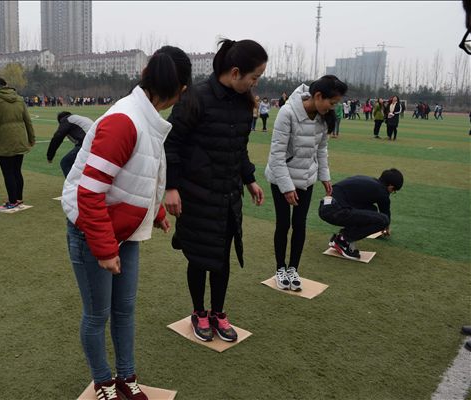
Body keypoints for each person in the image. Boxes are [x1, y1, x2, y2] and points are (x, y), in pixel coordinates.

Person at [62, 45, 192, 400]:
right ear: (181, 90)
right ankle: (103, 382)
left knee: (125, 310)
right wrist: (103, 249)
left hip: (124, 231)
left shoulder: (147, 117)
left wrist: (157, 212)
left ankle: (126, 377)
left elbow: (142, 175)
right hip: (93, 231)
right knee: (97, 315)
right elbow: (89, 194)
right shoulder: (126, 120)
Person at [165, 38, 267, 343]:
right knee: (198, 257)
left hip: (228, 195)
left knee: (222, 257)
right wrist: (170, 187)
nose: (255, 82)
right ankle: (199, 312)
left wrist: (249, 179)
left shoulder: (243, 101)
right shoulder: (195, 97)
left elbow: (239, 148)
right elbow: (171, 144)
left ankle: (218, 313)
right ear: (235, 72)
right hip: (196, 195)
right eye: (254, 76)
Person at [265, 75, 347, 291]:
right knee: (283, 224)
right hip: (281, 178)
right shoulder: (287, 112)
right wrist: (287, 187)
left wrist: (324, 176)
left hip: (306, 179)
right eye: (332, 102)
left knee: (300, 224)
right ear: (318, 96)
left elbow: (321, 149)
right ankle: (280, 267)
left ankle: (293, 268)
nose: (333, 108)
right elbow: (276, 156)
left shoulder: (322, 117)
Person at [319, 168, 403, 260]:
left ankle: (343, 237)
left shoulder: (370, 182)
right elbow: (385, 214)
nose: (392, 192)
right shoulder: (382, 191)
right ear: (391, 187)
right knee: (383, 220)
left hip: (326, 206)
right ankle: (343, 240)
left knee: (372, 210)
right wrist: (386, 226)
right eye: (393, 191)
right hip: (335, 211)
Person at [0, 76, 35, 210]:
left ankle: (12, 200)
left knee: (8, 172)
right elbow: (28, 120)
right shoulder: (19, 98)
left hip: (5, 140)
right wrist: (31, 139)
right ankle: (18, 198)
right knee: (17, 171)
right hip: (20, 138)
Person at [46, 111, 94, 177]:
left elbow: (57, 137)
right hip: (97, 142)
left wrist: (50, 156)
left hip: (88, 143)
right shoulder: (77, 119)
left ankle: (72, 185)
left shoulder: (66, 120)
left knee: (65, 163)